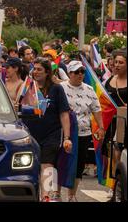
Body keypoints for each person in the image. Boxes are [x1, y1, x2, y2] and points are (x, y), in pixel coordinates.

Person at [21, 57, 72, 202]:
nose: (35, 72)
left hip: (52, 134)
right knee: (30, 168)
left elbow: (64, 113)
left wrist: (67, 137)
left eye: (39, 69)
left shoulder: (57, 89)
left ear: (47, 72)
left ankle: (46, 197)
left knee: (47, 165)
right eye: (34, 69)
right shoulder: (27, 87)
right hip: (29, 134)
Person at [60, 60, 105, 202]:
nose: (80, 75)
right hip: (64, 133)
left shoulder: (89, 89)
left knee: (78, 165)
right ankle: (55, 194)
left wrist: (101, 127)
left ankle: (71, 195)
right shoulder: (60, 88)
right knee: (61, 163)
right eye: (76, 72)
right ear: (69, 73)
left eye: (82, 72)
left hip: (83, 133)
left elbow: (96, 110)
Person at [103, 49, 127, 200]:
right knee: (113, 154)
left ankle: (121, 186)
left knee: (122, 155)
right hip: (112, 123)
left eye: (121, 62)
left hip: (125, 121)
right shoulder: (109, 80)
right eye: (115, 62)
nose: (117, 65)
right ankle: (114, 187)